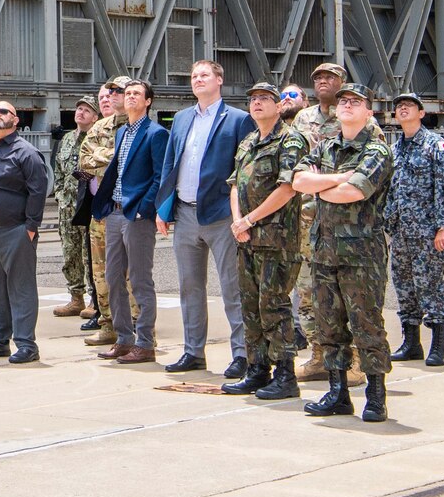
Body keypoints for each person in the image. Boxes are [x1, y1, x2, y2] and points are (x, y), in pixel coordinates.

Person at [290, 84, 394, 422]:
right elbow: (298, 181)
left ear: (369, 112)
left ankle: (376, 396)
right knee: (329, 326)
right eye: (343, 101)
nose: (347, 105)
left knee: (366, 324)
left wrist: (326, 185)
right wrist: (337, 179)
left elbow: (351, 193)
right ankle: (338, 393)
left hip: (361, 255)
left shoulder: (377, 150)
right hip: (324, 250)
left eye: (356, 102)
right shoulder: (324, 146)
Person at [155, 59, 256, 377]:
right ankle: (193, 351)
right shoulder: (182, 118)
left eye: (204, 75)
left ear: (219, 80)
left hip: (221, 215)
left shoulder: (238, 119)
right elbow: (170, 165)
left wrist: (241, 216)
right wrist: (164, 208)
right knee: (190, 287)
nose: (198, 80)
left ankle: (242, 354)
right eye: (194, 76)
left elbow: (245, 171)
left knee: (233, 287)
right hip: (185, 213)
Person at [222, 83, 309, 398]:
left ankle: (286, 375)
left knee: (274, 306)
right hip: (246, 237)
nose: (257, 104)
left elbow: (287, 189)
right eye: (253, 99)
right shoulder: (248, 142)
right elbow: (235, 184)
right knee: (250, 306)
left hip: (276, 239)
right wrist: (237, 221)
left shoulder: (290, 140)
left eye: (264, 99)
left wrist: (250, 219)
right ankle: (258, 370)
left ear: (277, 106)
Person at [93, 80, 169, 364]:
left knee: (139, 279)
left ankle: (145, 342)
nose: (131, 97)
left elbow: (160, 176)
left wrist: (143, 209)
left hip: (136, 215)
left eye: (137, 94)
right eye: (128, 94)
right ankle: (123, 339)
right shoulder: (122, 132)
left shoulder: (156, 133)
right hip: (114, 212)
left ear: (148, 101)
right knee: (113, 277)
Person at [0, 100, 49, 364]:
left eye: (4, 111)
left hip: (15, 231)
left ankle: (26, 344)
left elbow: (38, 190)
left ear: (16, 119)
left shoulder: (26, 153)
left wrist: (30, 227)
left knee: (21, 288)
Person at [387, 93, 444, 367]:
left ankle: (439, 347)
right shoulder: (396, 149)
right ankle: (411, 343)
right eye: (399, 107)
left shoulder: (434, 145)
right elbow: (392, 191)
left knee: (430, 286)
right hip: (401, 232)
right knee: (404, 287)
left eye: (409, 106)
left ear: (421, 112)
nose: (403, 109)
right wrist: (388, 225)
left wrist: (442, 227)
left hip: (427, 231)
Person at [77, 77, 131, 346]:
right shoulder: (100, 127)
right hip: (101, 210)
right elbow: (84, 163)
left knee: (131, 274)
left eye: (117, 92)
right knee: (101, 272)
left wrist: (104, 156)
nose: (111, 96)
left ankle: (135, 326)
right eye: (108, 92)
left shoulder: (140, 127)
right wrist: (114, 156)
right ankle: (108, 322)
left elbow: (135, 162)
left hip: (129, 210)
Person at [51, 96, 99, 319]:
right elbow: (58, 170)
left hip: (87, 206)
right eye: (79, 109)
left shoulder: (97, 138)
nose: (81, 113)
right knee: (70, 252)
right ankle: (75, 297)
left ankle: (94, 298)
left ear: (95, 117)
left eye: (87, 110)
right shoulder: (67, 139)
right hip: (67, 206)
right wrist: (60, 194)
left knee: (89, 253)